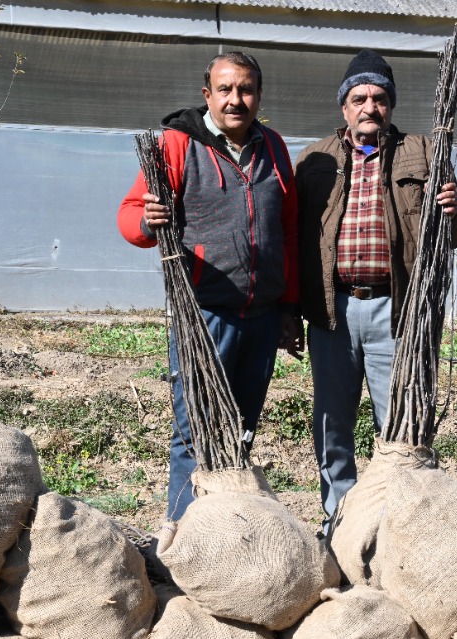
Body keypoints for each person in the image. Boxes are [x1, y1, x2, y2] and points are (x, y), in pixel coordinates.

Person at [118, 51, 299, 524]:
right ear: (207, 95)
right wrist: (146, 221)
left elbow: (289, 229)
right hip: (205, 315)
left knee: (241, 430)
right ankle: (182, 536)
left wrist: (288, 305)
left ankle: (227, 529)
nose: (236, 100)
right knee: (194, 432)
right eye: (226, 89)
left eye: (246, 89)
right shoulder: (178, 146)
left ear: (258, 94)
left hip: (261, 315)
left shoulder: (274, 147)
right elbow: (130, 216)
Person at [293, 49, 457, 529]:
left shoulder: (425, 152)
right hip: (334, 312)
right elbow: (296, 238)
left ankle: (396, 523)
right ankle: (341, 520)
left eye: (379, 97)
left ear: (390, 104)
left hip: (399, 312)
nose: (369, 106)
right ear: (344, 107)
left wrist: (451, 212)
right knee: (332, 423)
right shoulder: (313, 160)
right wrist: (291, 307)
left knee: (399, 425)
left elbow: (456, 236)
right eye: (359, 97)